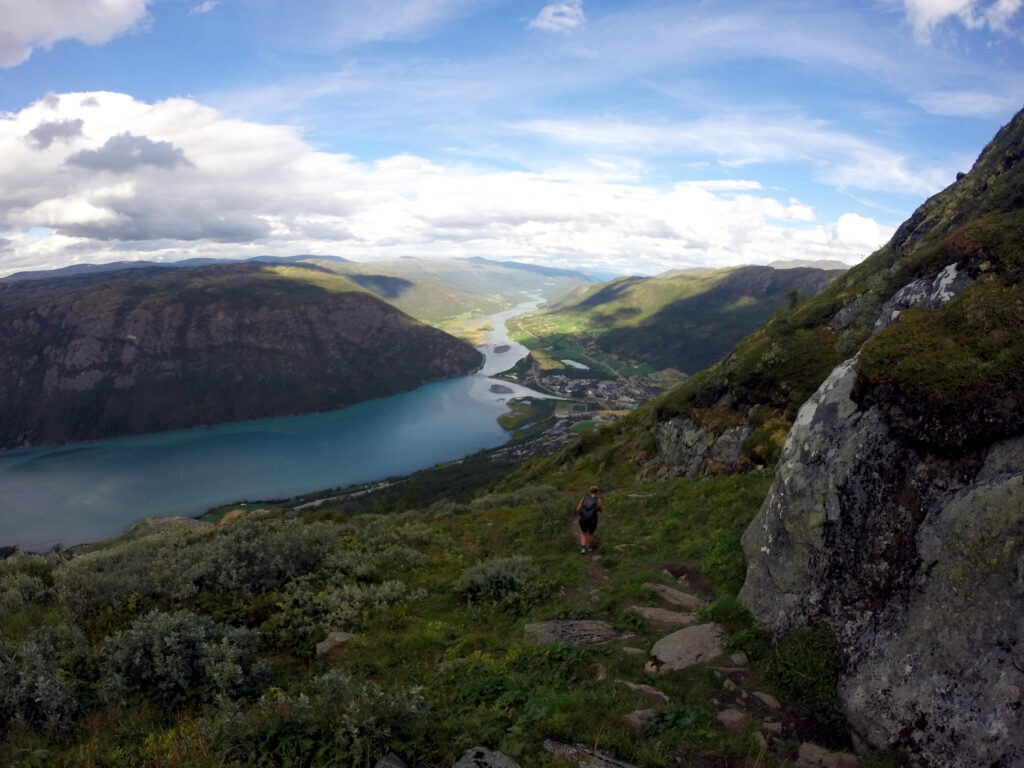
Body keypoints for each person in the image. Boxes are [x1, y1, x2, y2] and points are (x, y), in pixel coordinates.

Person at [575, 485, 602, 553]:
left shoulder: (584, 498)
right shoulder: (598, 500)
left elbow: (578, 509)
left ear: (590, 491)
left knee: (583, 533)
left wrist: (582, 514)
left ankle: (583, 549)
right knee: (591, 533)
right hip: (593, 520)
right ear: (597, 492)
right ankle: (590, 547)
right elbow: (601, 509)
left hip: (583, 519)